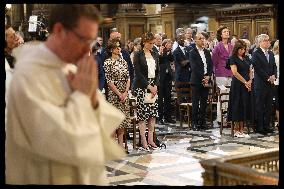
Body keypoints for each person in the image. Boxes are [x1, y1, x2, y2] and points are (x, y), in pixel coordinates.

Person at [5, 5, 126, 185]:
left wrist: (92, 99)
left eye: (92, 42)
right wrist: (84, 97)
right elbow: (61, 142)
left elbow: (100, 129)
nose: (88, 50)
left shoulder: (70, 68)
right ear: (59, 30)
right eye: (83, 39)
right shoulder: (28, 76)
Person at [132, 32, 160, 151]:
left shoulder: (155, 53)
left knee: (152, 115)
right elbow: (138, 74)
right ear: (144, 42)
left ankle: (151, 140)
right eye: (150, 43)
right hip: (141, 87)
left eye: (153, 43)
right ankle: (143, 140)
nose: (152, 45)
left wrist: (156, 85)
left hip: (153, 86)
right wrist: (149, 86)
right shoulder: (138, 55)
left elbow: (158, 71)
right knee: (143, 116)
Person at [103, 38, 131, 149]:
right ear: (111, 49)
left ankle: (121, 144)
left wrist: (125, 92)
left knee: (122, 121)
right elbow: (109, 81)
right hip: (114, 94)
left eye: (120, 47)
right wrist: (119, 94)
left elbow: (128, 77)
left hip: (124, 92)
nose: (119, 49)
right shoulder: (107, 62)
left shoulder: (123, 61)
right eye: (116, 47)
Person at [252, 34, 277, 135]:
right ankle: (260, 126)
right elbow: (258, 68)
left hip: (270, 84)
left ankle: (266, 125)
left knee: (268, 106)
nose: (268, 42)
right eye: (265, 41)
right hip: (261, 83)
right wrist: (268, 77)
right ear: (260, 42)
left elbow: (274, 66)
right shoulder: (256, 53)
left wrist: (274, 75)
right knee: (260, 105)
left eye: (268, 40)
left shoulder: (270, 53)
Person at [227, 40, 253, 138]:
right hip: (238, 85)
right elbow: (235, 73)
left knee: (244, 105)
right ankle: (236, 130)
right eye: (241, 49)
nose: (243, 51)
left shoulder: (245, 57)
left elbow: (249, 70)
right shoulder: (232, 58)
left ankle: (242, 130)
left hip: (246, 85)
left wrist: (250, 80)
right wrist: (245, 82)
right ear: (237, 49)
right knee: (237, 106)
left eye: (244, 49)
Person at [189, 32, 213, 131]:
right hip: (196, 80)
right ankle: (194, 123)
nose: (202, 40)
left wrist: (208, 76)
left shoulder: (207, 52)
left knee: (204, 102)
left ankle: (202, 122)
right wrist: (203, 77)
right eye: (200, 38)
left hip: (206, 80)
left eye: (203, 38)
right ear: (195, 40)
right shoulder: (192, 52)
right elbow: (194, 67)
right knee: (195, 102)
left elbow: (210, 66)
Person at [212, 26, 234, 125]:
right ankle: (220, 118)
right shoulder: (217, 46)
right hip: (220, 75)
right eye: (224, 32)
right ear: (221, 35)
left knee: (229, 96)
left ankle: (228, 118)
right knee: (222, 95)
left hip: (230, 73)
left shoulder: (231, 46)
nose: (227, 33)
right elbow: (214, 61)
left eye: (227, 31)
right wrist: (216, 72)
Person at [158, 39, 175, 125]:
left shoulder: (170, 52)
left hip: (168, 77)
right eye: (169, 43)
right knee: (160, 99)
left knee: (168, 97)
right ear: (164, 44)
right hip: (161, 78)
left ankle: (168, 117)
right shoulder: (160, 51)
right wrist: (161, 52)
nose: (171, 44)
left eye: (171, 43)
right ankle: (160, 117)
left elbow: (172, 60)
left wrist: (170, 52)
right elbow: (159, 60)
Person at [272, 40, 279, 128]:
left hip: (276, 82)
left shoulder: (274, 57)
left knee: (278, 103)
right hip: (276, 82)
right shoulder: (275, 57)